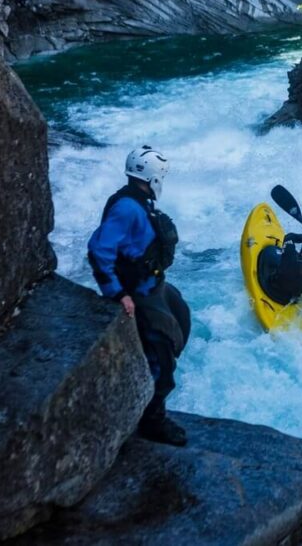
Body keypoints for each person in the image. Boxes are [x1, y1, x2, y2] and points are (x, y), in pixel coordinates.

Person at [88, 146, 191, 447]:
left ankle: (156, 368)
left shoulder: (138, 200)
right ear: (152, 177)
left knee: (181, 314)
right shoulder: (126, 208)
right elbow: (98, 250)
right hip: (139, 292)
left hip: (154, 285)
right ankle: (152, 421)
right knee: (163, 359)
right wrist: (118, 293)